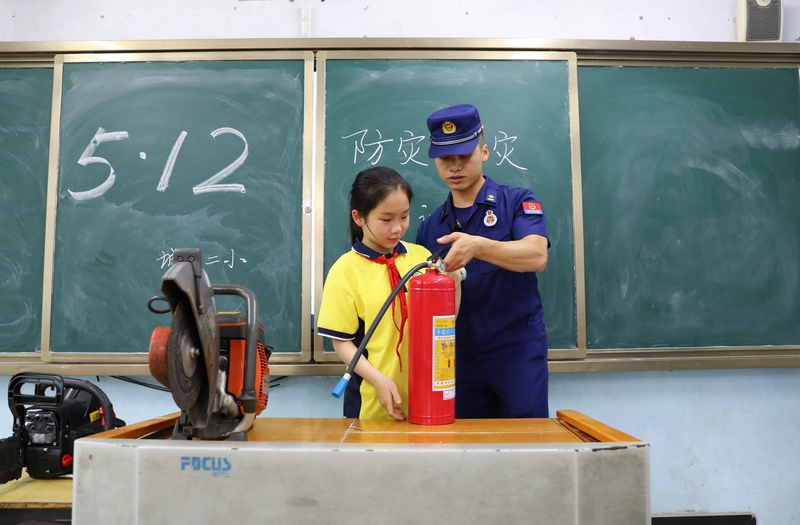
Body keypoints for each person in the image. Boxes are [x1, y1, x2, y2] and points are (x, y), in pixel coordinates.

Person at [415, 103, 550, 419]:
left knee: (527, 445)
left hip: (516, 352)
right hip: (456, 358)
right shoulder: (431, 227)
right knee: (465, 449)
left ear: (485, 152)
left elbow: (536, 255)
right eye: (447, 159)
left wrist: (478, 246)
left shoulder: (517, 201)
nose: (456, 166)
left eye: (466, 156)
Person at [317, 166, 461, 421]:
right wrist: (378, 380)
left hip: (427, 399)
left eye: (404, 217)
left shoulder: (421, 258)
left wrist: (455, 281)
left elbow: (445, 323)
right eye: (386, 220)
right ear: (359, 217)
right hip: (371, 402)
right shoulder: (345, 271)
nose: (397, 228)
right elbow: (341, 342)